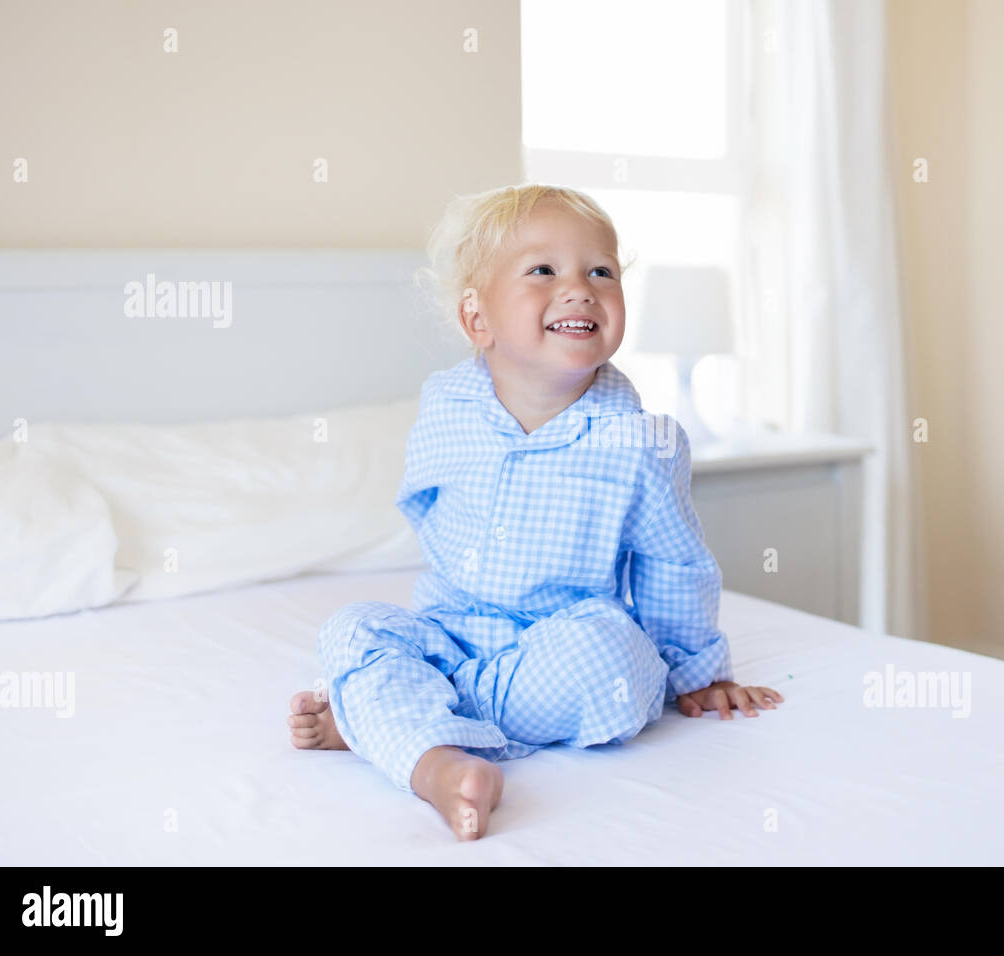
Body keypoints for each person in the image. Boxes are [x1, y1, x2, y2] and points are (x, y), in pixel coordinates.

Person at [287, 183, 783, 841]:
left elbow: (674, 564)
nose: (580, 288)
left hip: (563, 638)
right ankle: (434, 763)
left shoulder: (640, 441)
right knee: (351, 630)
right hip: (451, 634)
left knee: (618, 665)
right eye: (543, 270)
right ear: (477, 321)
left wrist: (696, 671)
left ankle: (394, 723)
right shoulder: (446, 407)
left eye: (600, 271)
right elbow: (426, 503)